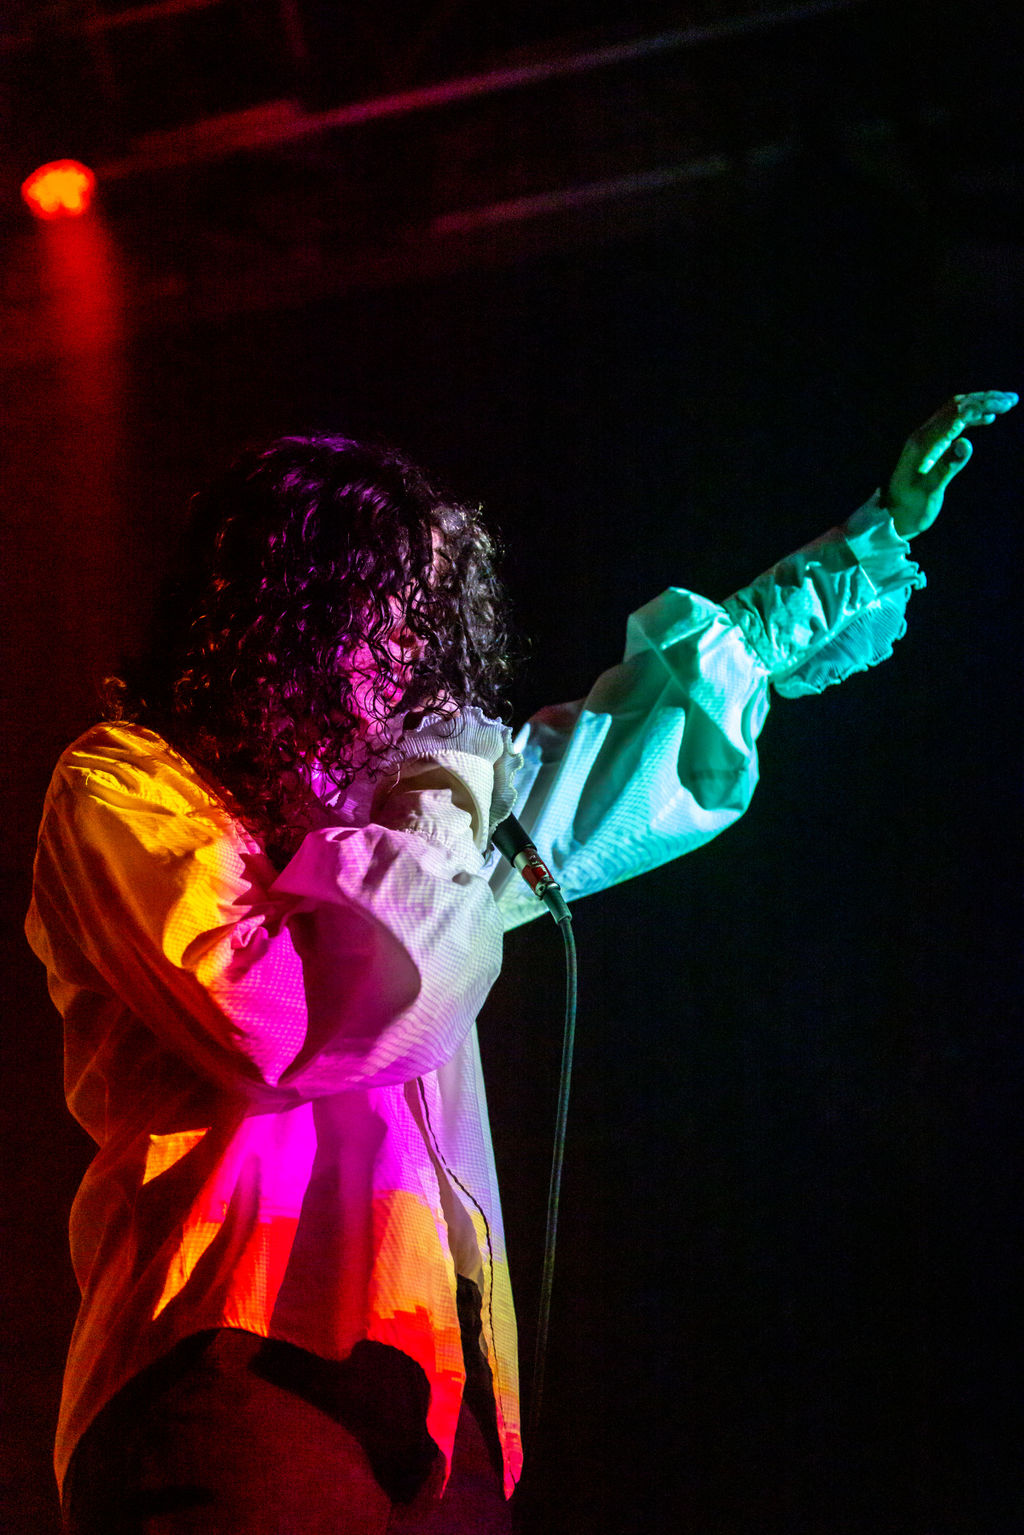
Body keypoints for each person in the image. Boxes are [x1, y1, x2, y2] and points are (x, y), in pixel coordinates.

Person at [26, 391, 1016, 1533]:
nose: (408, 652)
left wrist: (870, 539)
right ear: (280, 606)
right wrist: (436, 804)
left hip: (436, 1376)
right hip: (232, 1346)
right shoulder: (133, 783)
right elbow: (280, 1019)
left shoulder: (410, 820)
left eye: (426, 617)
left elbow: (620, 743)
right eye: (384, 607)